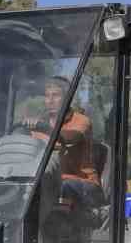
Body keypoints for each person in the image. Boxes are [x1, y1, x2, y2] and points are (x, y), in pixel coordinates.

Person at [23, 76, 103, 205]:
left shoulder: (81, 121)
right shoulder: (39, 125)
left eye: (55, 95)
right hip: (48, 180)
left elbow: (69, 138)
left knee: (60, 187)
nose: (50, 100)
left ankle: (58, 223)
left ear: (67, 98)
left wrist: (45, 128)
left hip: (83, 184)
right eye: (47, 96)